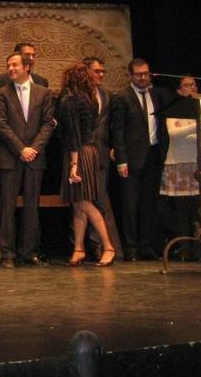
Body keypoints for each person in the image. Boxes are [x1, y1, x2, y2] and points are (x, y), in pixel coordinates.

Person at [0, 52, 55, 268]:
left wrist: (33, 149)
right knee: (7, 206)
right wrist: (21, 149)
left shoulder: (44, 92)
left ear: (27, 66)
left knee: (31, 206)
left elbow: (48, 124)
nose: (10, 68)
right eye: (8, 65)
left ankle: (28, 252)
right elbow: (1, 124)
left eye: (15, 65)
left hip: (35, 159)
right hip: (10, 157)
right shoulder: (1, 93)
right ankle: (8, 254)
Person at [58, 63, 117, 267]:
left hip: (79, 153)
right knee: (78, 204)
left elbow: (73, 135)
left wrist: (74, 165)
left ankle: (108, 246)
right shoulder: (89, 100)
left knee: (84, 203)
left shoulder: (69, 101)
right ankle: (79, 249)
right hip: (90, 151)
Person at [111, 58, 169, 261]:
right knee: (130, 204)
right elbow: (117, 131)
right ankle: (131, 247)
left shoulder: (157, 94)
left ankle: (147, 246)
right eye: (138, 74)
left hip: (153, 155)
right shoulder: (122, 97)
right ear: (130, 75)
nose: (143, 77)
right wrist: (121, 159)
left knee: (148, 204)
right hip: (131, 158)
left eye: (146, 73)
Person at [158, 76, 201, 260]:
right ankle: (185, 250)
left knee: (199, 208)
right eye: (187, 85)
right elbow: (174, 134)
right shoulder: (174, 107)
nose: (192, 87)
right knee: (181, 210)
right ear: (179, 89)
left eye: (194, 84)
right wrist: (198, 125)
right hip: (178, 162)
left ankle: (200, 250)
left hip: (199, 162)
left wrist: (193, 129)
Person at [82, 56, 123, 260]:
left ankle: (98, 245)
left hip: (102, 154)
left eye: (102, 72)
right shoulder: (76, 95)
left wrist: (114, 148)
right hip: (81, 154)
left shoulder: (107, 95)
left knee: (99, 200)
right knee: (81, 203)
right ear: (86, 72)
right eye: (96, 71)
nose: (100, 75)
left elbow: (112, 126)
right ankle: (80, 247)